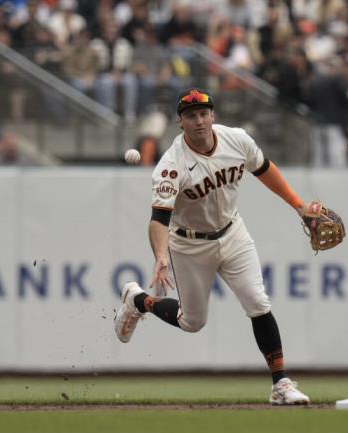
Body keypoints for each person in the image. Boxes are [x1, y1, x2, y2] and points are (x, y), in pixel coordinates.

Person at [114, 88, 311, 405]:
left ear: (213, 115)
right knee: (192, 322)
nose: (199, 120)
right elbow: (158, 219)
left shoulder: (236, 140)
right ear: (180, 122)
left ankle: (281, 384)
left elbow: (265, 170)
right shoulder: (170, 166)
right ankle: (138, 300)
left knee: (258, 302)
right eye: (191, 116)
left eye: (204, 113)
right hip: (189, 243)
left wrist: (299, 206)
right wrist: (161, 256)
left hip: (232, 232)